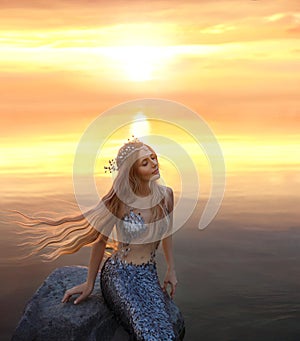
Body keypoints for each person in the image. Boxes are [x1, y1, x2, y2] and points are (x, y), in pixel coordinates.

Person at [11, 137, 184, 340]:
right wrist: (89, 283)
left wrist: (171, 269)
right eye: (145, 163)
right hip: (120, 276)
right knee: (144, 329)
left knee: (165, 332)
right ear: (132, 172)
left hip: (148, 274)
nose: (154, 164)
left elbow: (167, 233)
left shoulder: (166, 195)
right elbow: (100, 242)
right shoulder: (119, 201)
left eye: (153, 157)